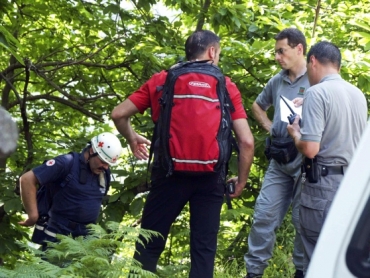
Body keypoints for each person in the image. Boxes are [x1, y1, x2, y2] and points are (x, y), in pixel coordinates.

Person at [111, 30, 255, 278]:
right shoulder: (226, 85)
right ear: (212, 51)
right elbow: (247, 141)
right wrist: (240, 181)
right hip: (211, 179)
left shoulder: (162, 80)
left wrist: (132, 138)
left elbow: (118, 114)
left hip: (168, 174)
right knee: (203, 249)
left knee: (149, 242)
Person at [287, 41, 368, 274]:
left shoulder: (316, 92)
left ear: (312, 61)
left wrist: (295, 133)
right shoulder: (357, 94)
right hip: (349, 187)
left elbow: (311, 148)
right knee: (339, 262)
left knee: (318, 261)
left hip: (321, 188)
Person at [244, 28, 309, 278]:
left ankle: (302, 271)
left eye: (281, 51)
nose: (277, 57)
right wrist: (269, 127)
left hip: (306, 160)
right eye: (276, 52)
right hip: (279, 162)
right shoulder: (278, 80)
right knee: (264, 215)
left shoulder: (315, 79)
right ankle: (254, 272)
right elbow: (257, 106)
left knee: (303, 222)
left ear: (299, 49)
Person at [19, 132, 122, 249]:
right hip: (58, 233)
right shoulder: (66, 163)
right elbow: (26, 179)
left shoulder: (104, 173)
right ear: (92, 151)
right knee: (51, 266)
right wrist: (33, 215)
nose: (106, 167)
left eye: (108, 164)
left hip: (86, 237)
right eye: (103, 161)